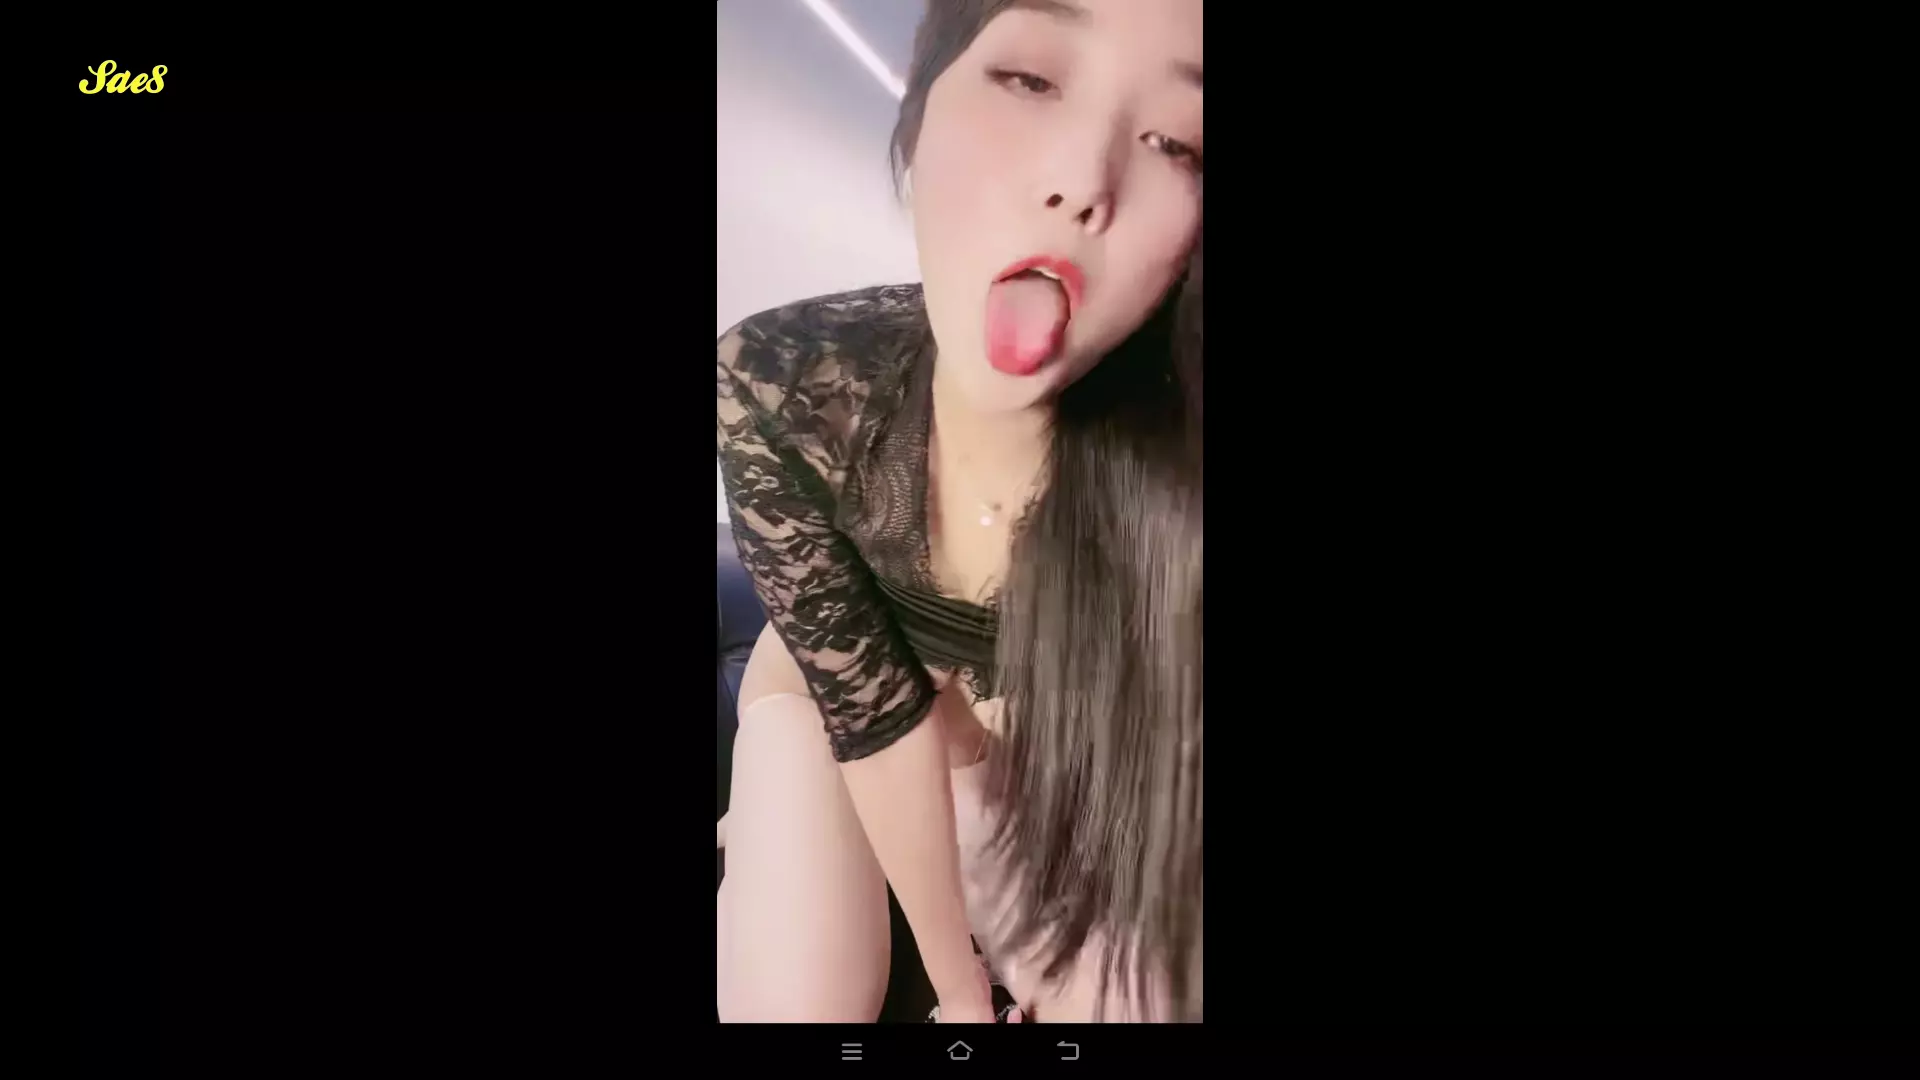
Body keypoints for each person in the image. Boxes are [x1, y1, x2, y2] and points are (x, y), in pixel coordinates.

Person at [716, 0, 1202, 1023]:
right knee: (799, 1007)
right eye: (1031, 79)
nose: (1082, 181)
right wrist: (961, 990)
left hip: (1037, 737)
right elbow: (871, 714)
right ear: (919, 112)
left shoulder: (1174, 454)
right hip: (836, 705)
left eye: (1177, 141)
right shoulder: (781, 378)